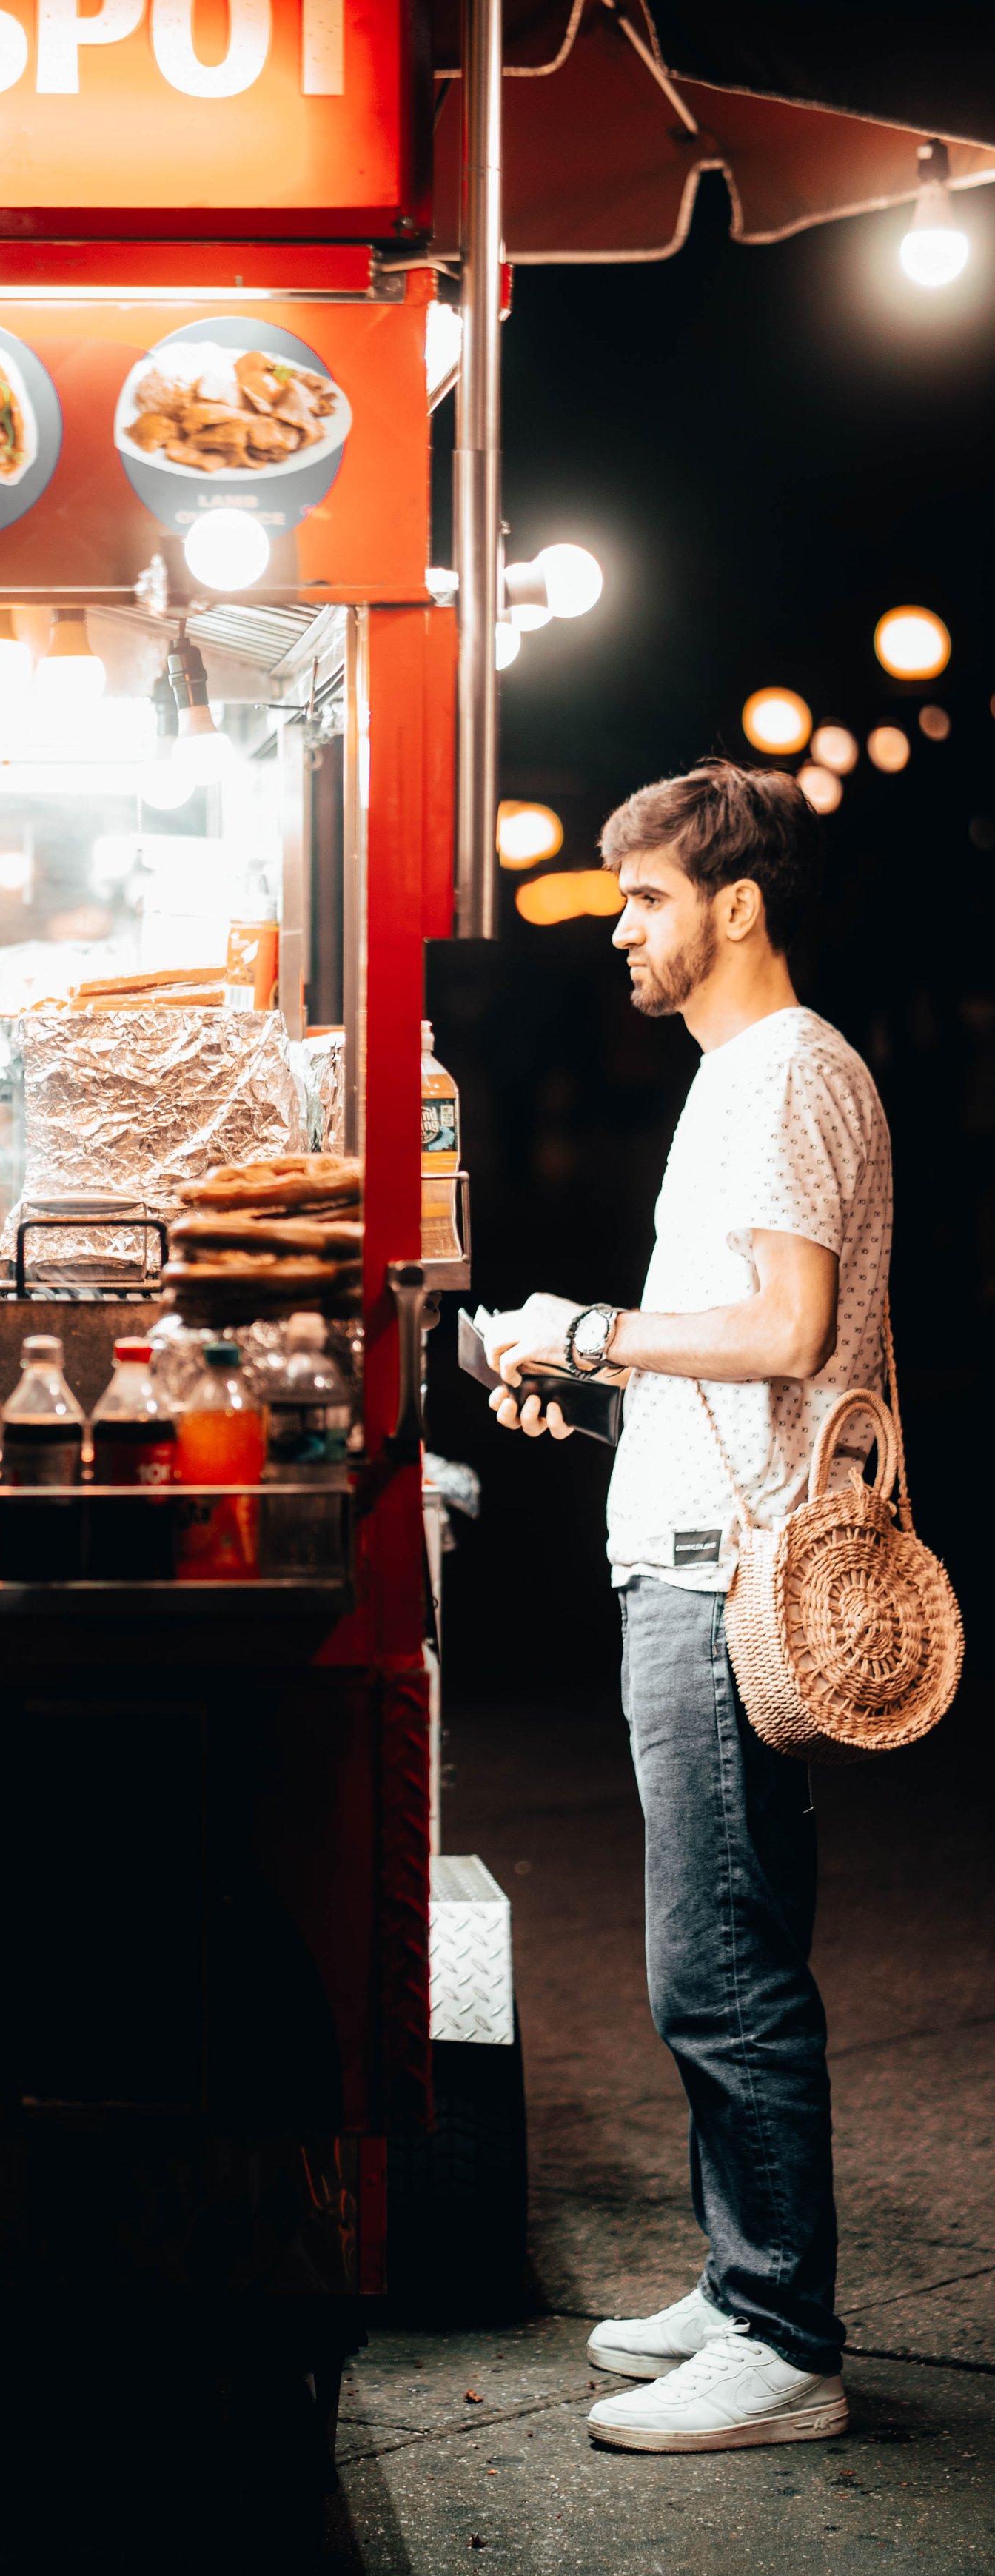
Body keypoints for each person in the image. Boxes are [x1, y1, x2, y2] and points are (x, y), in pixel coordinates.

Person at [484, 760, 890, 2456]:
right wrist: (590, 1387)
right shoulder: (742, 1074)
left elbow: (789, 1329)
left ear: (734, 904)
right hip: (696, 1543)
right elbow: (734, 1347)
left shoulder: (780, 1071)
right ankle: (738, 2291)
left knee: (716, 1972)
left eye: (644, 899)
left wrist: (583, 1330)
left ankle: (783, 2337)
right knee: (719, 1954)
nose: (619, 931)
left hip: (725, 1571)